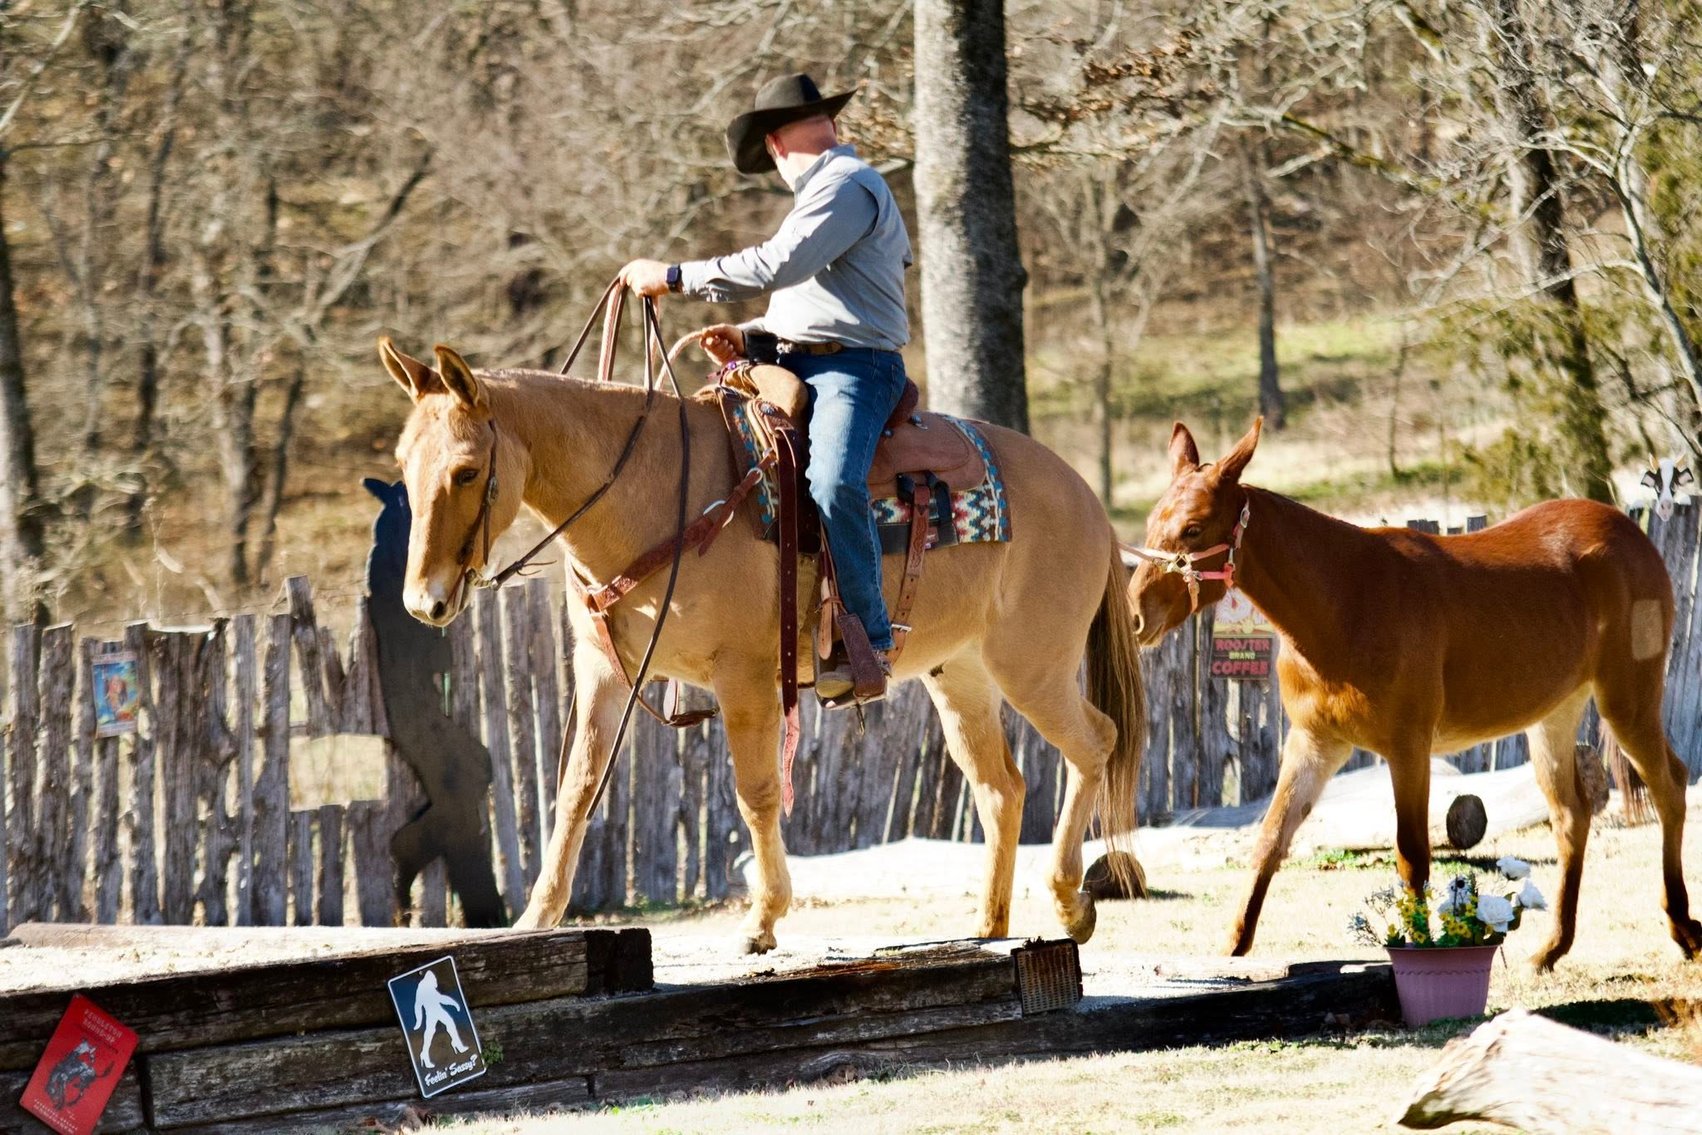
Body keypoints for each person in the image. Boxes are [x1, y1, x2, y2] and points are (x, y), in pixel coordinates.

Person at [620, 72, 913, 703]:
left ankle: (869, 639)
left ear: (775, 145)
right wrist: (750, 335)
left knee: (832, 480)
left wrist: (674, 276)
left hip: (855, 370)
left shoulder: (846, 185)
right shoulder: (827, 196)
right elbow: (812, 298)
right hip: (796, 361)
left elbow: (779, 265)